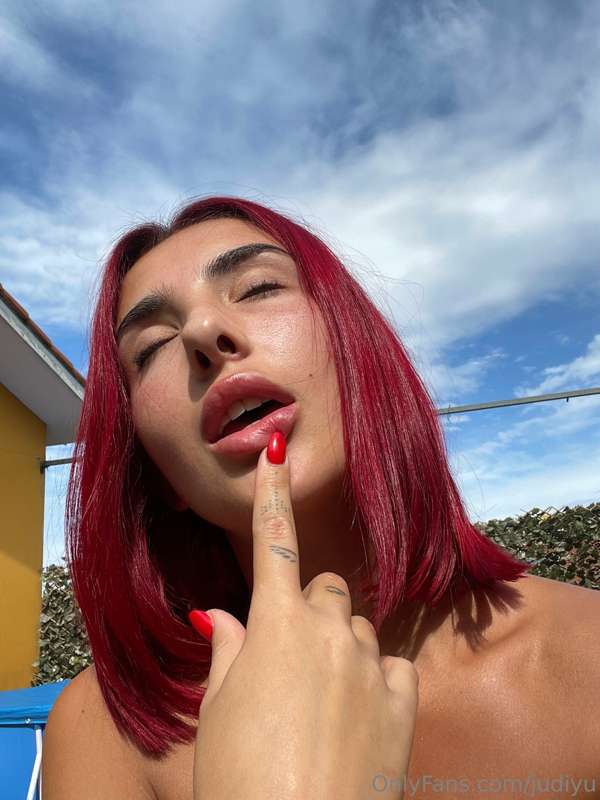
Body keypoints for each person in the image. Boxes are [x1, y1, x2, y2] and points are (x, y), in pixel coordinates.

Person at [42, 197, 600, 799]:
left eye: (258, 288)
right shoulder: (105, 732)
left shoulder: (585, 657)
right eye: (152, 346)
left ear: (361, 353)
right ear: (159, 477)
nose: (202, 332)